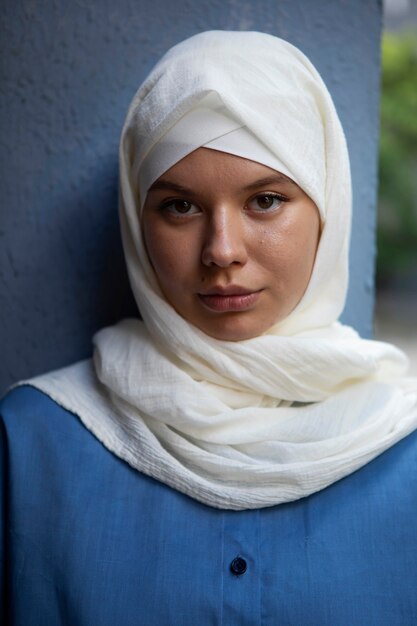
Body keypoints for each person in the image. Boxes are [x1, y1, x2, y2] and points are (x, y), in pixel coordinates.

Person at [2, 30, 417, 625]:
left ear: (328, 207)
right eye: (180, 206)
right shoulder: (32, 445)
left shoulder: (404, 447)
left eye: (265, 200)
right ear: (137, 219)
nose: (222, 251)